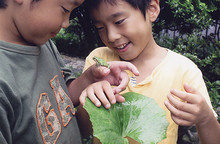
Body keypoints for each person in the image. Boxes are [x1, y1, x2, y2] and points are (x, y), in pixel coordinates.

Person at [78, 0, 220, 143]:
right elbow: (85, 131)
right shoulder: (99, 61)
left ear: (152, 9)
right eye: (100, 27)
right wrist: (89, 98)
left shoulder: (183, 70)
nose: (111, 36)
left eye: (119, 21)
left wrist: (205, 119)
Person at [0, 0, 140, 143]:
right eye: (65, 9)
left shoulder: (42, 42)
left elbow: (62, 96)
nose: (66, 23)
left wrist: (90, 78)